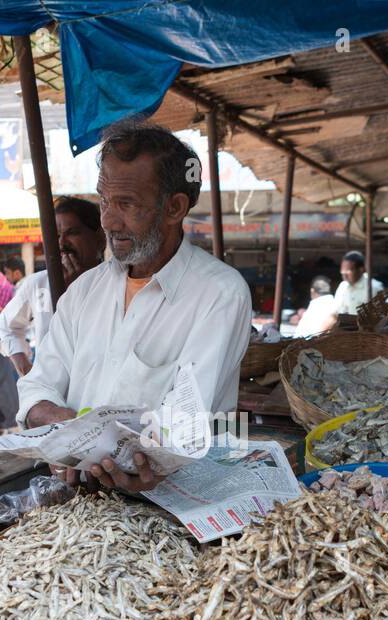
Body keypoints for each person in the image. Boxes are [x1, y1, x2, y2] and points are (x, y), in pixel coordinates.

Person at [17, 122, 251, 492]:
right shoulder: (85, 291)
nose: (108, 220)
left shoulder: (219, 293)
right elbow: (37, 386)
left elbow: (182, 424)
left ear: (174, 207)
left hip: (169, 503)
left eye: (126, 204)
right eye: (104, 201)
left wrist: (107, 446)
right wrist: (65, 422)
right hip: (78, 496)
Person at [0, 197, 106, 376]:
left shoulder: (117, 283)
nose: (62, 243)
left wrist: (79, 289)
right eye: (55, 236)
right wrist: (27, 371)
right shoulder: (38, 284)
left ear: (99, 239)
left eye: (72, 232)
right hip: (50, 396)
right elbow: (7, 326)